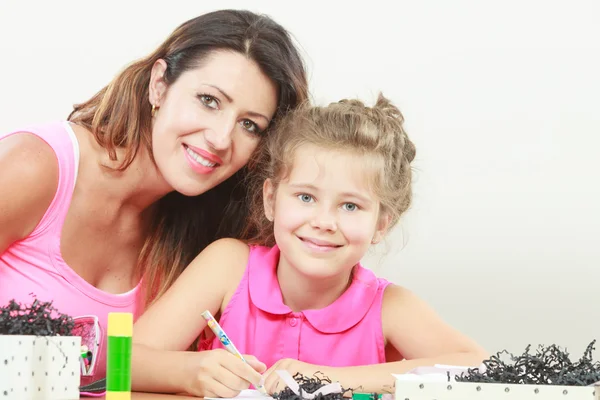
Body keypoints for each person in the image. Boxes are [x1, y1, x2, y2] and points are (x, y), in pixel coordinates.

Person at [0, 9, 308, 386]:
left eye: (250, 125)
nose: (221, 138)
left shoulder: (203, 234)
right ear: (159, 85)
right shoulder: (36, 166)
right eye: (209, 100)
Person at [131, 94, 488, 397]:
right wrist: (191, 372)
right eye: (305, 197)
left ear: (381, 224)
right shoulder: (228, 265)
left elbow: (480, 366)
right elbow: (125, 358)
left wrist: (328, 380)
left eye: (350, 206)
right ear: (271, 199)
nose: (323, 221)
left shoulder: (388, 307)